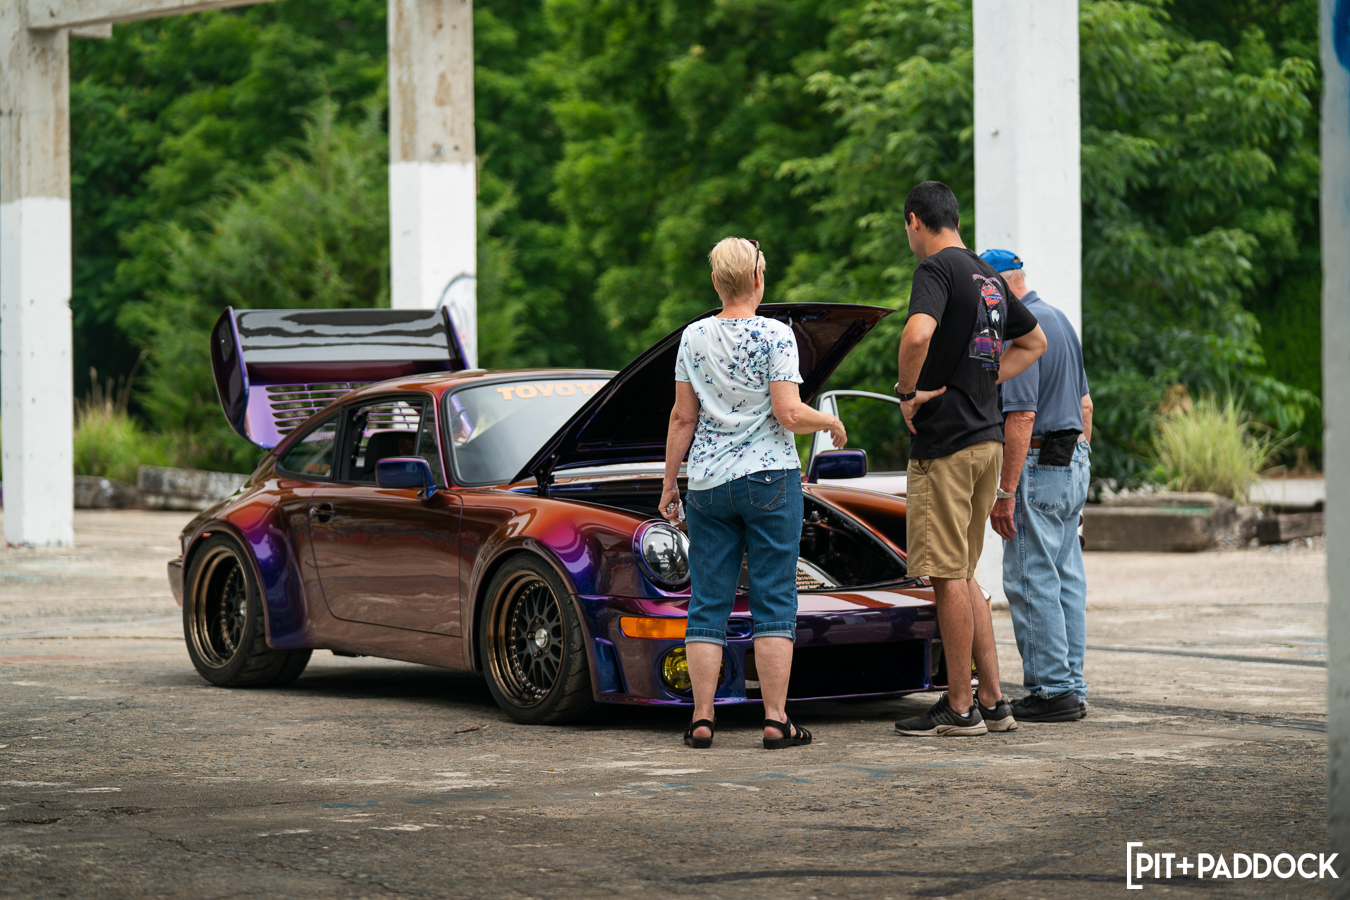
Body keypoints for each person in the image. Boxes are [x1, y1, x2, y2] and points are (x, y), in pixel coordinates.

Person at [659, 237, 847, 750]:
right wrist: (827, 419)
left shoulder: (693, 337)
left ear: (716, 283)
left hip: (708, 486)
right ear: (759, 280)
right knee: (773, 602)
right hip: (769, 481)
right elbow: (789, 413)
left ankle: (701, 720)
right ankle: (775, 719)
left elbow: (682, 417)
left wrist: (670, 480)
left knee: (707, 603)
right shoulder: (776, 335)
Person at [890, 182, 1047, 737]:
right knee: (967, 575)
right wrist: (982, 379)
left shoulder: (935, 271)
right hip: (988, 441)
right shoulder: (988, 275)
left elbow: (916, 334)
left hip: (947, 444)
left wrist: (908, 393)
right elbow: (1035, 344)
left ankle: (959, 707)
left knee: (946, 576)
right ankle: (994, 699)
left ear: (915, 222)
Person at [981, 249, 1093, 722]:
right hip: (1072, 457)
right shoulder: (1061, 320)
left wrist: (1006, 492)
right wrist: (1078, 464)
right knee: (1067, 574)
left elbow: (1021, 415)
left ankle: (1051, 690)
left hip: (1036, 459)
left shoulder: (1020, 332)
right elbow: (1085, 405)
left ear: (1002, 288)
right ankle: (1072, 684)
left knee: (1030, 575)